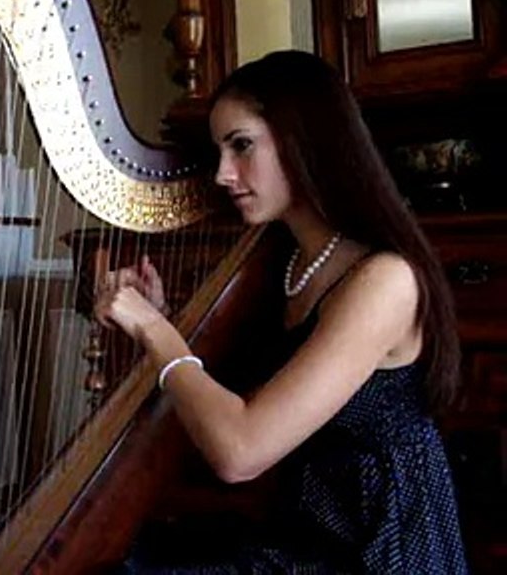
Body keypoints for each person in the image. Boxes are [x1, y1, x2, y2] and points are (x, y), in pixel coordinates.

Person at [95, 51, 467, 573]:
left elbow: (240, 451)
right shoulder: (284, 261)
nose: (223, 174)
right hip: (303, 533)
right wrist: (163, 319)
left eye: (242, 145)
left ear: (305, 139)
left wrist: (155, 329)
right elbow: (233, 404)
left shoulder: (385, 281)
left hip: (378, 551)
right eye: (219, 151)